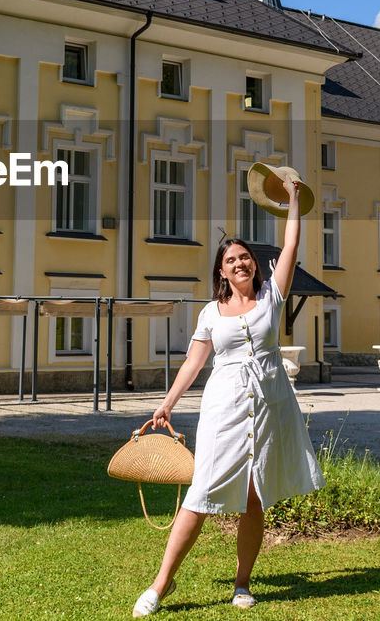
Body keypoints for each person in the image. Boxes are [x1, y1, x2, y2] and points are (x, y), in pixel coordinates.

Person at [132, 177, 324, 616]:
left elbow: (291, 245)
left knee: (255, 494)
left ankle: (242, 583)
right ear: (221, 271)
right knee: (201, 493)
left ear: (255, 266)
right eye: (231, 260)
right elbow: (193, 364)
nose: (240, 263)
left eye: (245, 258)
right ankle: (161, 585)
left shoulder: (272, 297)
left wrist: (293, 201)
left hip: (270, 405)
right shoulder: (210, 314)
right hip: (224, 407)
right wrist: (166, 404)